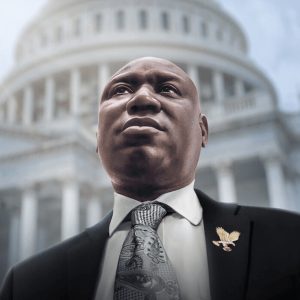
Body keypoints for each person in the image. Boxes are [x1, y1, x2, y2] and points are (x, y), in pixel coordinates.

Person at [1, 57, 300, 300]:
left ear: (203, 131)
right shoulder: (26, 284)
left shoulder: (289, 240)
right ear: (96, 138)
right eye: (120, 90)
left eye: (168, 88)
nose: (142, 99)